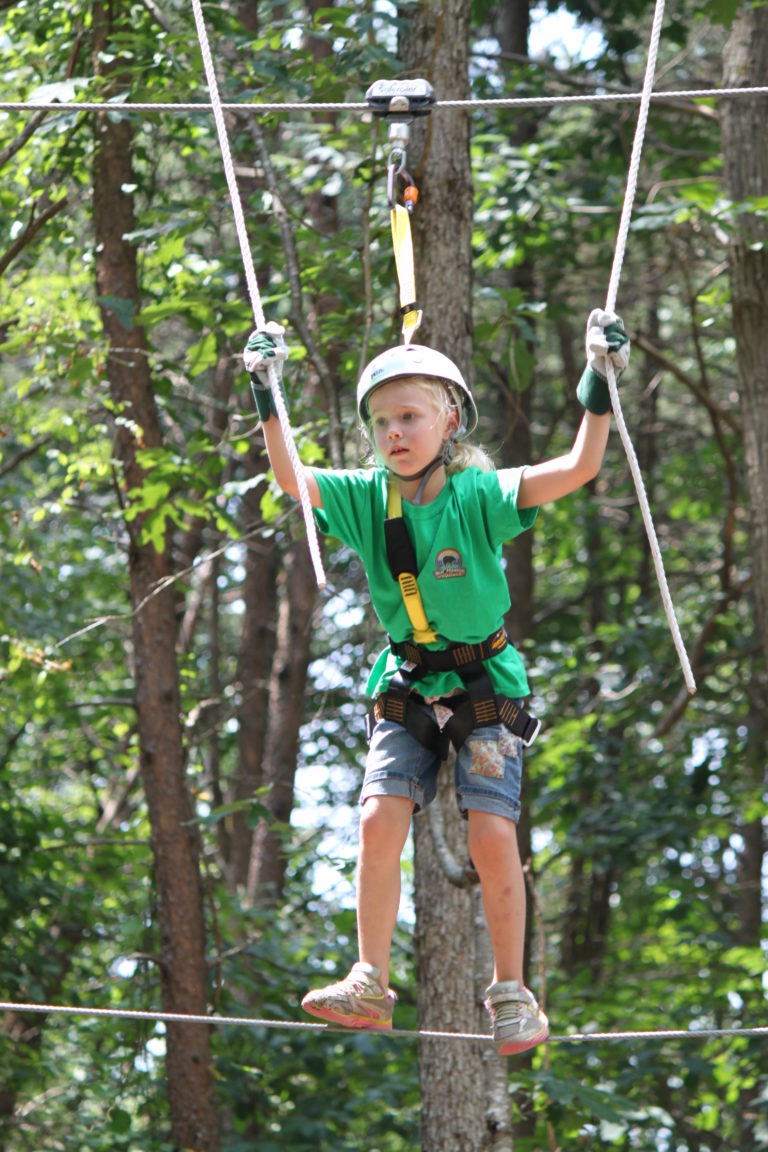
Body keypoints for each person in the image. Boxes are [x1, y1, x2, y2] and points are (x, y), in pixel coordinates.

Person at [243, 310, 629, 1055]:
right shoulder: (363, 497)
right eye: (382, 421)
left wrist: (596, 379)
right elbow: (291, 476)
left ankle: (513, 994)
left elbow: (579, 468)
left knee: (490, 835)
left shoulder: (479, 495)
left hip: (487, 686)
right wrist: (267, 392)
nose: (394, 432)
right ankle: (369, 978)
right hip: (410, 684)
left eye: (410, 416)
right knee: (377, 819)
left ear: (449, 419)